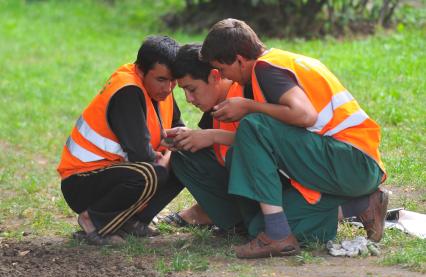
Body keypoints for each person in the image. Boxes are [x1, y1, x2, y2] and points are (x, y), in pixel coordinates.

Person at [200, 19, 388, 258]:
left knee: (253, 126)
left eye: (224, 70)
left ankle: (278, 236)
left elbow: (304, 114)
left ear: (239, 59)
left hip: (352, 161)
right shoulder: (279, 61)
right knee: (258, 226)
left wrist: (249, 106)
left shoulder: (266, 69)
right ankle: (360, 204)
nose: (230, 79)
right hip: (348, 165)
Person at [57, 35, 185, 245]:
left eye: (173, 81)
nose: (168, 87)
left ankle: (131, 221)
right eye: (161, 79)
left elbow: (178, 129)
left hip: (118, 174)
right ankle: (93, 220)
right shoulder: (128, 90)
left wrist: (171, 153)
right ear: (141, 71)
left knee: (184, 162)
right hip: (82, 182)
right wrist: (170, 153)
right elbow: (142, 155)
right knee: (152, 173)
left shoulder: (161, 89)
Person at [160, 43, 246, 231]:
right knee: (184, 154)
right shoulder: (213, 108)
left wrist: (213, 136)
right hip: (242, 184)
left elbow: (267, 143)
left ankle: (247, 219)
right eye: (183, 91)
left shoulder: (244, 96)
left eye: (192, 89)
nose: (188, 99)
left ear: (215, 76)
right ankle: (228, 218)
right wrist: (190, 137)